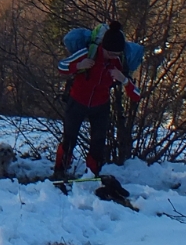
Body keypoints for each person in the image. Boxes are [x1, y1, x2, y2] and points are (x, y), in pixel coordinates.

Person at [53, 21, 141, 179]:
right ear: (103, 47)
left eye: (116, 54)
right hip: (77, 101)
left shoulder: (119, 62)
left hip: (101, 106)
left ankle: (92, 175)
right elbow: (62, 66)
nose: (113, 57)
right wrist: (79, 65)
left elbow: (136, 95)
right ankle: (60, 171)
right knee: (69, 138)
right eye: (110, 53)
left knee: (98, 143)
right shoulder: (88, 53)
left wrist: (124, 80)